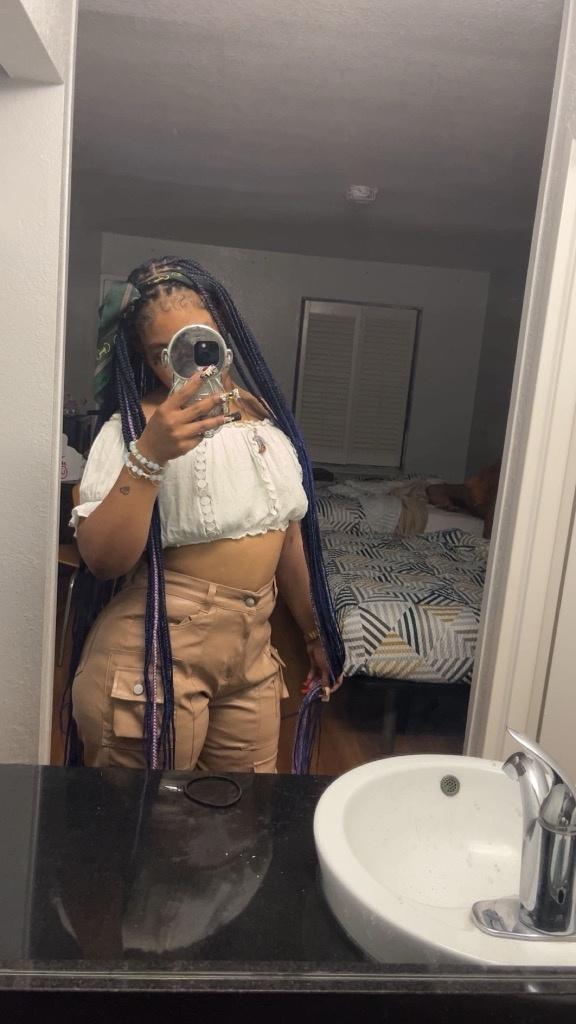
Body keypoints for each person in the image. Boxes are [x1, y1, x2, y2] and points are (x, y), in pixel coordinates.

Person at [65, 256, 344, 771]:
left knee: (242, 811)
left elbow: (287, 534)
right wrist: (149, 455)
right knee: (145, 814)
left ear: (224, 337)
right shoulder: (136, 426)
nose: (186, 363)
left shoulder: (263, 416)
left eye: (199, 341)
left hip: (252, 650)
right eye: (162, 353)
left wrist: (314, 631)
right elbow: (103, 561)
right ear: (144, 359)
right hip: (154, 648)